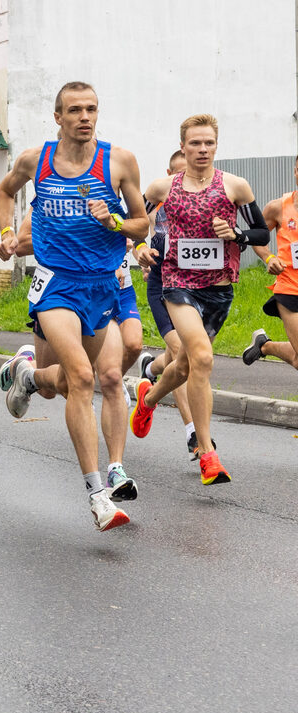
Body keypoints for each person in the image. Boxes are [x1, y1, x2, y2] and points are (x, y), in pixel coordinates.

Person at [0, 82, 149, 532]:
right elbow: (5, 193)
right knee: (84, 378)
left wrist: (115, 220)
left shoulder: (118, 161)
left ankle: (26, 376)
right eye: (75, 110)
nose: (85, 117)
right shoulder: (35, 160)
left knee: (55, 385)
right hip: (56, 283)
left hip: (101, 285)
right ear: (58, 117)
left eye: (92, 109)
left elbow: (141, 225)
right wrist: (8, 234)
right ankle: (98, 494)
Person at [129, 114, 266, 483]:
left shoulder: (235, 187)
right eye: (195, 143)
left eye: (208, 143)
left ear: (216, 145)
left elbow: (261, 234)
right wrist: (140, 247)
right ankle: (208, 454)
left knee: (187, 366)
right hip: (177, 284)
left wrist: (237, 234)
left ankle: (148, 399)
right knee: (202, 358)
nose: (202, 149)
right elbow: (134, 223)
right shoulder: (163, 188)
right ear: (183, 146)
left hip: (219, 289)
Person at [135, 151, 198, 453]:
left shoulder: (202, 204)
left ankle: (150, 369)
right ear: (168, 173)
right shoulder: (157, 204)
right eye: (177, 175)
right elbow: (134, 228)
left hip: (193, 290)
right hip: (161, 286)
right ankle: (193, 433)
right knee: (181, 354)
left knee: (177, 358)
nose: (183, 182)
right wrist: (141, 252)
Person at [246, 157, 298, 381]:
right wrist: (268, 258)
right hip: (289, 288)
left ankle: (264, 346)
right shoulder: (278, 207)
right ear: (295, 171)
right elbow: (258, 237)